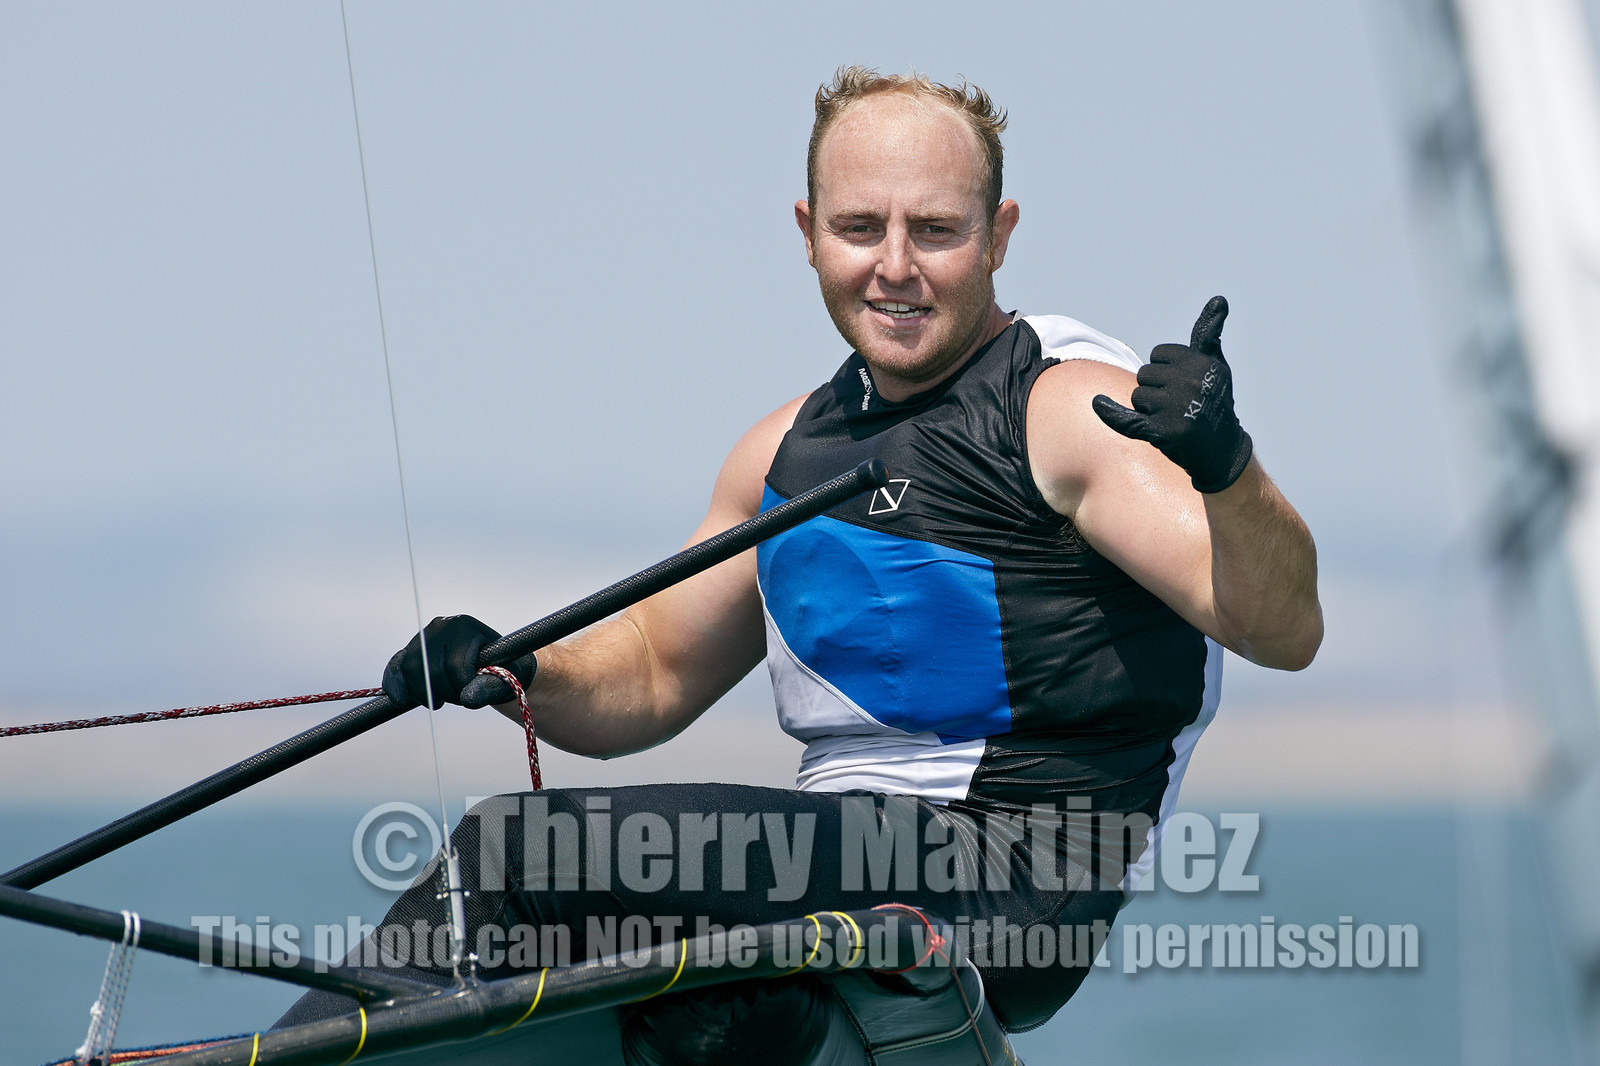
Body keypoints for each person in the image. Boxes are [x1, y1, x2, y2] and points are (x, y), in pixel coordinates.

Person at [329, 67, 1322, 1034]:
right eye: (859, 228)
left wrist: (1225, 464)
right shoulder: (781, 453)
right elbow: (656, 670)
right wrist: (517, 669)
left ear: (998, 235)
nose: (895, 265)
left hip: (1013, 886)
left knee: (511, 855)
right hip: (846, 875)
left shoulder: (1065, 410)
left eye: (935, 229)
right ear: (807, 234)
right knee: (688, 1018)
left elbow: (1282, 630)